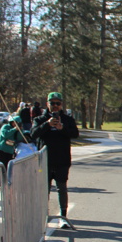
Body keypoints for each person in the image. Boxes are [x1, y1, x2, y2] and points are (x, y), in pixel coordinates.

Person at [31, 92, 80, 227]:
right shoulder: (40, 119)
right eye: (52, 103)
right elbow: (33, 134)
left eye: (58, 103)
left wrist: (62, 128)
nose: (55, 106)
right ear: (47, 104)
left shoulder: (67, 119)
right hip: (45, 160)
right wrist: (47, 125)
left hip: (62, 160)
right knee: (44, 189)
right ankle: (43, 216)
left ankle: (63, 217)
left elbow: (75, 134)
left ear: (61, 105)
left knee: (61, 188)